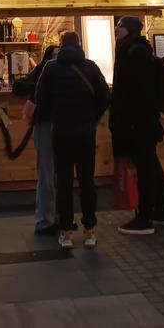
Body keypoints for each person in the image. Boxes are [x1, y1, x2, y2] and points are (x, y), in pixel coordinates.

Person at [35, 31, 109, 249]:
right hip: (85, 132)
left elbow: (41, 98)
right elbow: (104, 97)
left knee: (64, 182)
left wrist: (56, 115)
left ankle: (66, 232)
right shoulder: (91, 67)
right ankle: (90, 231)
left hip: (61, 132)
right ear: (79, 45)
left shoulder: (50, 68)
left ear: (61, 45)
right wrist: (92, 118)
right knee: (87, 180)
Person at [109, 16, 164, 235]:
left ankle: (144, 217)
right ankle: (161, 212)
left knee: (144, 168)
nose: (117, 29)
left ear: (130, 29)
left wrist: (132, 119)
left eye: (120, 27)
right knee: (151, 165)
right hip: (142, 120)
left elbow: (138, 90)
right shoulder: (135, 49)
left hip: (137, 121)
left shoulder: (134, 52)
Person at [12, 44, 59, 235]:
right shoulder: (43, 72)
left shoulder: (66, 71)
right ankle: (46, 220)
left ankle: (54, 218)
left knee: (56, 174)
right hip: (47, 125)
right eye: (54, 55)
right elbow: (18, 87)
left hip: (61, 126)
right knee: (48, 173)